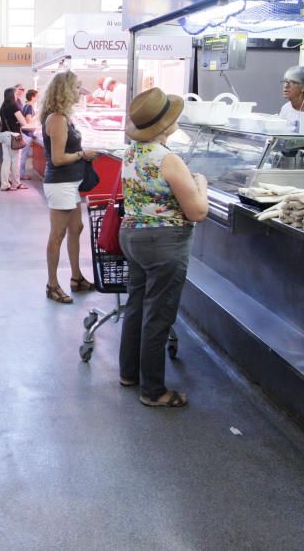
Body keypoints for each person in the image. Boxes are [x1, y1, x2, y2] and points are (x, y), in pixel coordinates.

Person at [119, 87, 208, 408]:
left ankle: (129, 373)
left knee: (136, 307)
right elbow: (197, 211)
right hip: (164, 243)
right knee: (158, 316)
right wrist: (201, 185)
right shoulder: (168, 159)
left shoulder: (130, 152)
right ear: (167, 126)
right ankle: (154, 390)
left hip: (132, 236)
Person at [41, 70, 99, 303]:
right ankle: (52, 285)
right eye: (76, 87)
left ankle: (76, 278)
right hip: (60, 183)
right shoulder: (56, 119)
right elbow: (57, 159)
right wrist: (83, 154)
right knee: (58, 234)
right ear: (65, 91)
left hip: (70, 183)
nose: (80, 91)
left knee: (76, 228)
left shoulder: (64, 117)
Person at [0, 87, 28, 191]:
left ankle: (4, 184)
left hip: (3, 135)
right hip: (14, 136)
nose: (17, 95)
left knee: (6, 161)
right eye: (16, 93)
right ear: (12, 95)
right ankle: (16, 184)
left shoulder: (3, 106)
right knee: (15, 160)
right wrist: (20, 121)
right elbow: (23, 122)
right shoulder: (14, 105)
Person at [19, 89, 39, 180]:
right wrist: (38, 115)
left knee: (22, 155)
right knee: (23, 155)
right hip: (26, 134)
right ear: (32, 97)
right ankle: (21, 174)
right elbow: (29, 120)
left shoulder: (26, 106)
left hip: (25, 133)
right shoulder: (29, 107)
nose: (37, 98)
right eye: (36, 96)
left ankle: (20, 173)